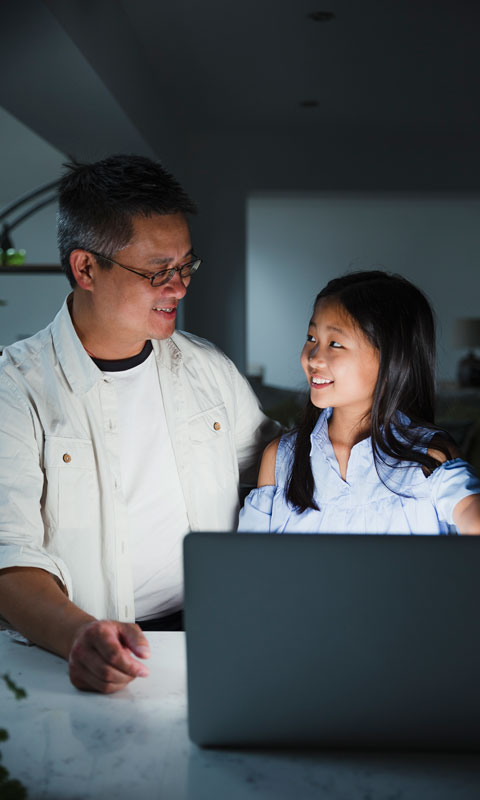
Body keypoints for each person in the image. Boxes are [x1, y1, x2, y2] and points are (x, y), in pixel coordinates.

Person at [0, 154, 278, 693]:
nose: (179, 287)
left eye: (186, 266)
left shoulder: (207, 368)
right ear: (86, 268)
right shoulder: (15, 389)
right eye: (157, 271)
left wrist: (387, 442)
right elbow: (8, 556)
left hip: (212, 632)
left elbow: (277, 462)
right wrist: (80, 637)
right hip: (81, 649)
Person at [238, 271, 480, 535]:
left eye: (335, 344)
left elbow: (478, 517)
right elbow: (249, 556)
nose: (313, 358)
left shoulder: (430, 457)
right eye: (312, 338)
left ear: (391, 360)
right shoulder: (281, 458)